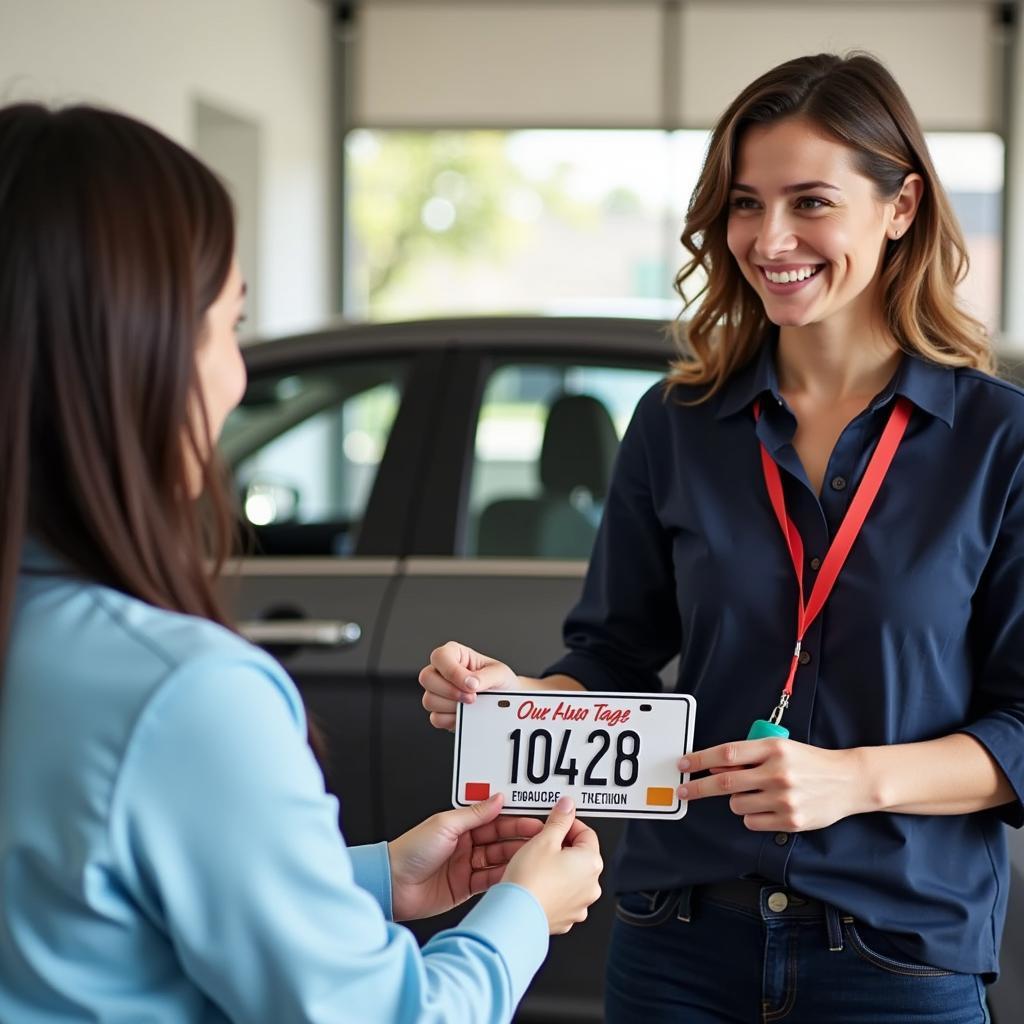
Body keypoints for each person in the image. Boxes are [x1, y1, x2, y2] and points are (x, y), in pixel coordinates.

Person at [419, 52, 1022, 1023]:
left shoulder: (1000, 442)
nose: (769, 237)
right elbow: (612, 652)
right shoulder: (676, 422)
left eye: (810, 202)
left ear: (900, 204)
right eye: (745, 204)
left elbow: (1019, 730)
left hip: (895, 955)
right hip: (679, 944)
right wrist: (517, 700)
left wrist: (846, 780)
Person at [0, 103, 602, 1024]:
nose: (239, 377)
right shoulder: (181, 694)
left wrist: (369, 880)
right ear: (140, 353)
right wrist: (522, 914)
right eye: (226, 328)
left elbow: (98, 922)